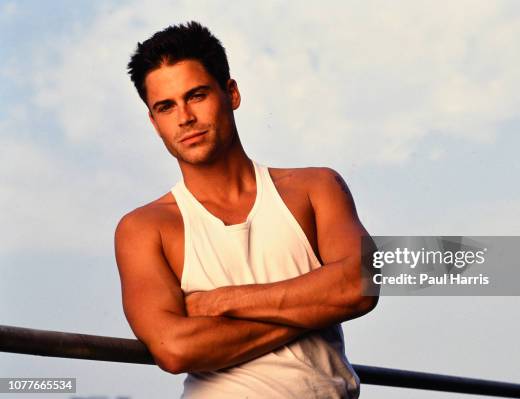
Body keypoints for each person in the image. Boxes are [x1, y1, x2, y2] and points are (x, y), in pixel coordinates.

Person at [115, 21, 378, 399]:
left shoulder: (315, 187)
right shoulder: (144, 228)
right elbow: (175, 349)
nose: (184, 117)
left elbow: (360, 284)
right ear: (154, 123)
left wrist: (221, 302)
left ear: (232, 93)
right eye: (166, 106)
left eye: (197, 95)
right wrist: (319, 306)